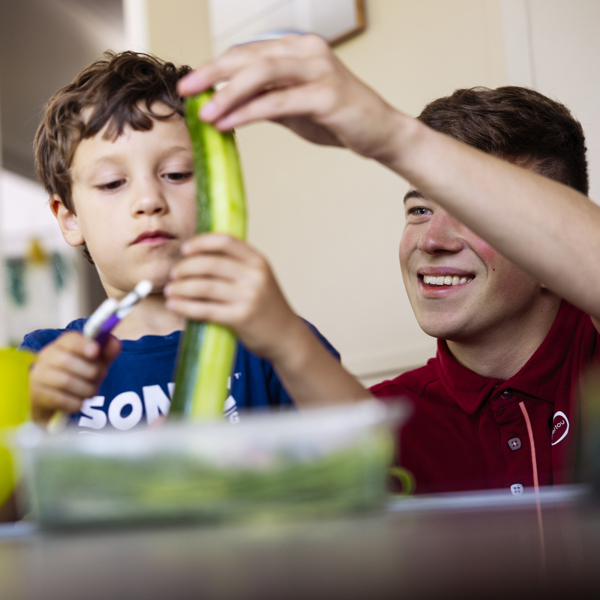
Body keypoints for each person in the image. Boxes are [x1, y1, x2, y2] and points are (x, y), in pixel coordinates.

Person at [177, 33, 600, 494]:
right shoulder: (378, 421)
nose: (431, 240)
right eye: (420, 210)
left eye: (476, 215)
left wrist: (393, 136)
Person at [22, 50, 370, 432]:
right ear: (70, 220)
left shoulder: (268, 342)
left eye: (176, 173)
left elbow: (375, 455)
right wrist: (36, 415)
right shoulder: (43, 360)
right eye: (112, 183)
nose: (149, 200)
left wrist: (288, 339)